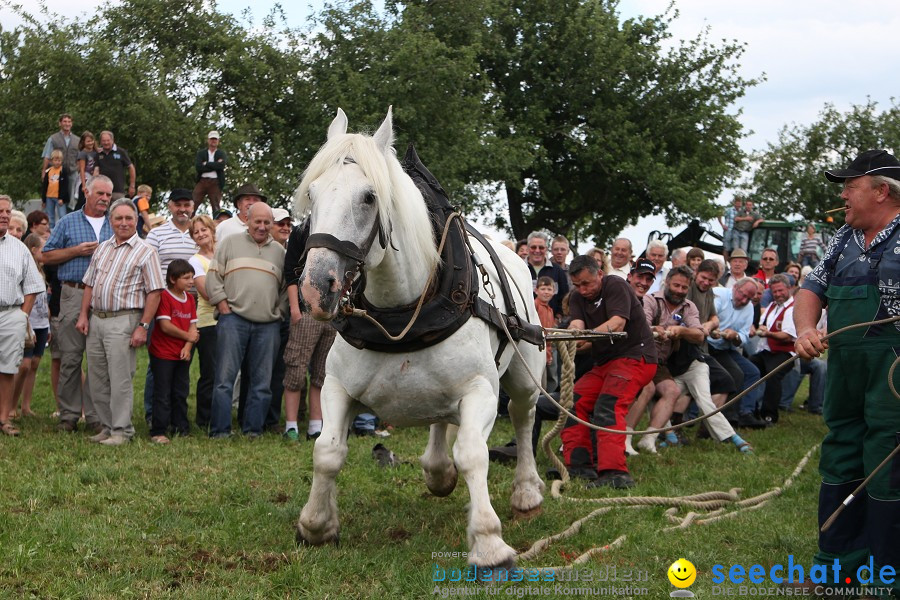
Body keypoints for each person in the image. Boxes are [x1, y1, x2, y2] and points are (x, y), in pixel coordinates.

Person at [792, 150, 900, 596]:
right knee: (841, 447)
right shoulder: (842, 239)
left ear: (882, 191)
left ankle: (884, 577)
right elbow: (811, 287)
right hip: (847, 367)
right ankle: (835, 571)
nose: (843, 194)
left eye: (850, 186)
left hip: (893, 369)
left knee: (887, 457)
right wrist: (803, 329)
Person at [560, 255, 657, 489]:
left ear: (600, 274)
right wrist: (571, 335)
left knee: (609, 405)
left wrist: (585, 336)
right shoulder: (576, 298)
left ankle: (614, 472)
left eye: (587, 283)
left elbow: (617, 323)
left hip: (636, 356)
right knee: (574, 400)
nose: (582, 290)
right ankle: (579, 464)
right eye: (577, 285)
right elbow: (578, 326)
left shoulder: (616, 285)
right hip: (606, 363)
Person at [76, 198, 164, 445]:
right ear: (111, 221)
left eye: (128, 218)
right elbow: (89, 284)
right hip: (97, 320)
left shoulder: (147, 251)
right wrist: (83, 315)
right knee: (97, 377)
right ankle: (107, 426)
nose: (123, 223)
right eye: (118, 218)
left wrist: (143, 326)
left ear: (136, 221)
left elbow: (155, 292)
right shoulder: (102, 248)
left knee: (120, 378)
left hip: (124, 321)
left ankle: (122, 431)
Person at [639, 266, 752, 454]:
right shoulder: (652, 300)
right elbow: (644, 324)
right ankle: (666, 435)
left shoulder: (690, 305)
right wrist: (655, 329)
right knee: (663, 394)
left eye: (684, 287)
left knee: (705, 398)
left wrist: (683, 331)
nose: (679, 290)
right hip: (664, 362)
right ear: (667, 282)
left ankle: (734, 439)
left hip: (693, 361)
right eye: (676, 285)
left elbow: (700, 335)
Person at [206, 202, 286, 438]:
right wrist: (222, 304)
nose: (262, 227)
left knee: (262, 382)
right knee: (224, 380)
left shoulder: (280, 252)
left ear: (272, 224)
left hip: (268, 324)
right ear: (247, 221)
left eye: (266, 222)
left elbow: (285, 290)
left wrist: (279, 312)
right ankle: (220, 431)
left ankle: (253, 430)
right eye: (257, 222)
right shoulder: (230, 243)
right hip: (233, 320)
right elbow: (213, 277)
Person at [41, 176, 114, 434]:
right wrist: (76, 251)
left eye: (108, 194)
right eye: (100, 194)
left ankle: (95, 415)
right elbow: (45, 255)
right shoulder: (68, 221)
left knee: (98, 359)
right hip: (73, 293)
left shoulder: (115, 223)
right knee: (71, 358)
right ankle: (69, 415)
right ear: (87, 192)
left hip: (105, 298)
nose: (105, 199)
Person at [142, 188, 198, 424]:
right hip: (163, 302)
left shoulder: (200, 232)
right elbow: (146, 264)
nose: (183, 209)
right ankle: (153, 413)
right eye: (178, 205)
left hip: (193, 304)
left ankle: (178, 417)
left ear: (193, 206)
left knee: (183, 362)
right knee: (159, 362)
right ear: (170, 206)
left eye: (187, 205)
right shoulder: (157, 234)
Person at [281, 217, 335, 441]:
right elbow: (291, 271)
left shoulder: (340, 226)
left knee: (322, 373)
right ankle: (291, 426)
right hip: (305, 312)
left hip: (334, 313)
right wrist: (295, 309)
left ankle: (315, 425)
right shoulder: (303, 229)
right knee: (296, 368)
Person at [0, 195, 45, 436]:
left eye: (8, 211)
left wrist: (22, 316)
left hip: (10, 314)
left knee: (8, 368)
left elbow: (32, 285)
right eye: (1, 211)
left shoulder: (19, 248)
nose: (5, 215)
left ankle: (4, 418)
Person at [148, 259, 199, 444]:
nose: (191, 281)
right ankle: (158, 430)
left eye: (192, 277)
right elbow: (165, 326)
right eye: (186, 278)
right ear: (172, 278)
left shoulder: (190, 298)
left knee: (180, 391)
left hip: (182, 354)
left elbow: (193, 326)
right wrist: (188, 337)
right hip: (163, 353)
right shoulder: (165, 297)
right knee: (162, 392)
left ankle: (181, 427)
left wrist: (187, 347)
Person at [707, 278, 766, 429]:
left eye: (749, 298)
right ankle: (728, 416)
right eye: (743, 295)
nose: (744, 300)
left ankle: (745, 413)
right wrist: (715, 332)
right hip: (706, 346)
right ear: (735, 287)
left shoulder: (749, 308)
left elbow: (744, 336)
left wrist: (736, 336)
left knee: (752, 372)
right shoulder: (718, 295)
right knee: (736, 374)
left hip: (726, 348)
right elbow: (706, 320)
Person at [11, 234, 50, 419]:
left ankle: (25, 406)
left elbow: (43, 301)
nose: (47, 253)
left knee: (34, 364)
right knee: (24, 365)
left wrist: (48, 326)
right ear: (34, 250)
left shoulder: (41, 270)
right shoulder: (24, 268)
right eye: (44, 249)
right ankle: (11, 405)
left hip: (42, 324)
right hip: (29, 324)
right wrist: (26, 325)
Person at [749, 273, 794, 424]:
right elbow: (763, 324)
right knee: (749, 369)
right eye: (775, 292)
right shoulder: (771, 306)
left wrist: (767, 333)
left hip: (786, 352)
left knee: (772, 375)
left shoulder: (794, 308)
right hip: (766, 351)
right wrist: (761, 328)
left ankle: (769, 415)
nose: (778, 294)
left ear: (789, 289)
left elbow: (787, 336)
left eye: (781, 290)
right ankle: (749, 410)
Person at [187, 215, 218, 430]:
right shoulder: (195, 261)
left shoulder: (224, 253)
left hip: (230, 319)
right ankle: (204, 418)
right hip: (208, 322)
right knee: (210, 372)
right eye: (196, 232)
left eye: (203, 229)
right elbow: (207, 292)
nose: (201, 234)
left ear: (212, 229)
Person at [525, 231, 569, 316]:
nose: (537, 251)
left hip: (551, 323)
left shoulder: (558, 270)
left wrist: (558, 318)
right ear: (528, 248)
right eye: (533, 247)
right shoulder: (519, 268)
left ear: (546, 248)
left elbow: (564, 298)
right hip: (524, 323)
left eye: (541, 247)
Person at [40, 114, 80, 204]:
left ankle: (69, 216)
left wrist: (77, 170)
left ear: (72, 124)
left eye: (69, 122)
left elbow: (80, 158)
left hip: (72, 173)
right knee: (56, 198)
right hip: (56, 173)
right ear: (60, 123)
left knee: (71, 199)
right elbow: (47, 156)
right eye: (65, 121)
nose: (67, 124)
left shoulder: (77, 140)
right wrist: (44, 171)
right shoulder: (53, 138)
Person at [93, 131, 135, 200]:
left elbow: (131, 167)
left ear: (112, 140)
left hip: (118, 191)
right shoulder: (98, 154)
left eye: (108, 140)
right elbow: (96, 171)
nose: (106, 143)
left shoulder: (121, 152)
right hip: (103, 191)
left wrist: (132, 185)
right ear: (100, 142)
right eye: (103, 141)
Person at [193, 130, 227, 213]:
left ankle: (217, 224)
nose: (213, 141)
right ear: (208, 140)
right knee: (193, 202)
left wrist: (206, 164)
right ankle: (187, 223)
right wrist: (215, 165)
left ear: (218, 141)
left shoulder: (221, 153)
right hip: (202, 181)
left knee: (216, 206)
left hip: (215, 182)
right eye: (212, 139)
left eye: (215, 139)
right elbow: (199, 167)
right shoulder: (201, 153)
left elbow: (221, 165)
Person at [41, 149, 69, 229]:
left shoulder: (63, 171)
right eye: (55, 160)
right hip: (49, 196)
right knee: (50, 216)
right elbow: (45, 186)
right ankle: (50, 230)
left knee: (62, 215)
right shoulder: (48, 171)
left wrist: (61, 198)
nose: (57, 162)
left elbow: (65, 185)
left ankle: (63, 229)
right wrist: (44, 200)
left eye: (59, 160)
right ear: (52, 160)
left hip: (59, 197)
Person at [75, 131, 98, 211]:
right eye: (88, 141)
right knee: (82, 202)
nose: (90, 143)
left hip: (94, 179)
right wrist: (84, 184)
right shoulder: (83, 153)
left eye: (92, 140)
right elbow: (81, 169)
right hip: (86, 179)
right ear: (83, 142)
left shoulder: (96, 152)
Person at [719, 196, 744, 260]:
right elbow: (719, 214)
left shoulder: (742, 211)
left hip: (737, 231)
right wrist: (722, 225)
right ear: (734, 203)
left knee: (735, 248)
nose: (738, 205)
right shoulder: (729, 210)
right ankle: (725, 263)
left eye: (739, 204)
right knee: (726, 247)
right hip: (728, 230)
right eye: (737, 204)